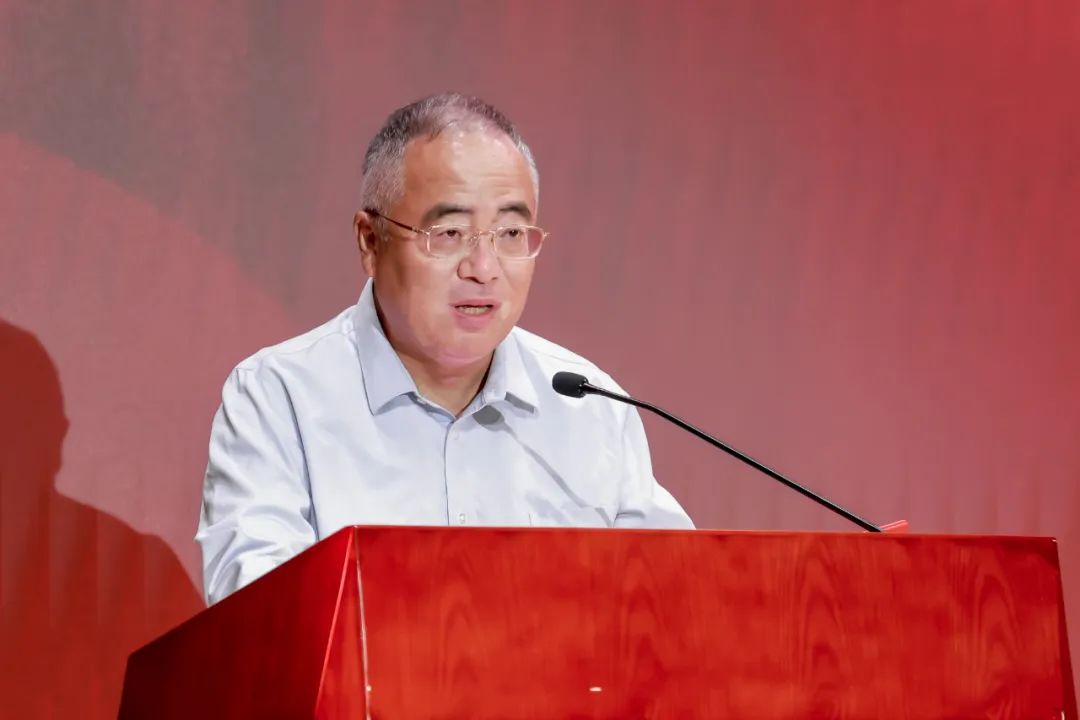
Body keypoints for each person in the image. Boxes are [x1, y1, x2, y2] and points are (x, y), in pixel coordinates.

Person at [196, 92, 693, 605]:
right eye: (450, 232)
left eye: (511, 232)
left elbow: (675, 600)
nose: (484, 268)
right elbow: (260, 616)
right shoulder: (279, 399)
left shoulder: (589, 407)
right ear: (370, 240)